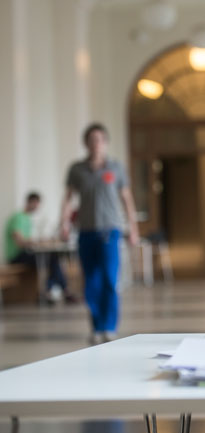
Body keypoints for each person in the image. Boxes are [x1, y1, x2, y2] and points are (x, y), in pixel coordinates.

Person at [60, 123, 139, 345]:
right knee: (91, 282)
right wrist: (63, 223)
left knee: (109, 279)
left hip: (110, 231)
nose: (96, 144)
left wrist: (133, 228)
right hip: (86, 232)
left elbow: (126, 198)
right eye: (92, 140)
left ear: (106, 143)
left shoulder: (115, 168)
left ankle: (110, 326)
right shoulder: (77, 169)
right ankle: (96, 326)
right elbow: (68, 198)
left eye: (100, 139)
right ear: (86, 143)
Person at [4, 192, 76, 304]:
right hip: (16, 255)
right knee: (52, 259)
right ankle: (59, 291)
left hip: (25, 253)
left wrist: (42, 241)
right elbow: (20, 241)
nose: (37, 207)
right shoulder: (18, 217)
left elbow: (28, 241)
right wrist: (38, 242)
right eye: (36, 204)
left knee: (54, 259)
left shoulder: (27, 219)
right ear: (30, 202)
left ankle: (50, 291)